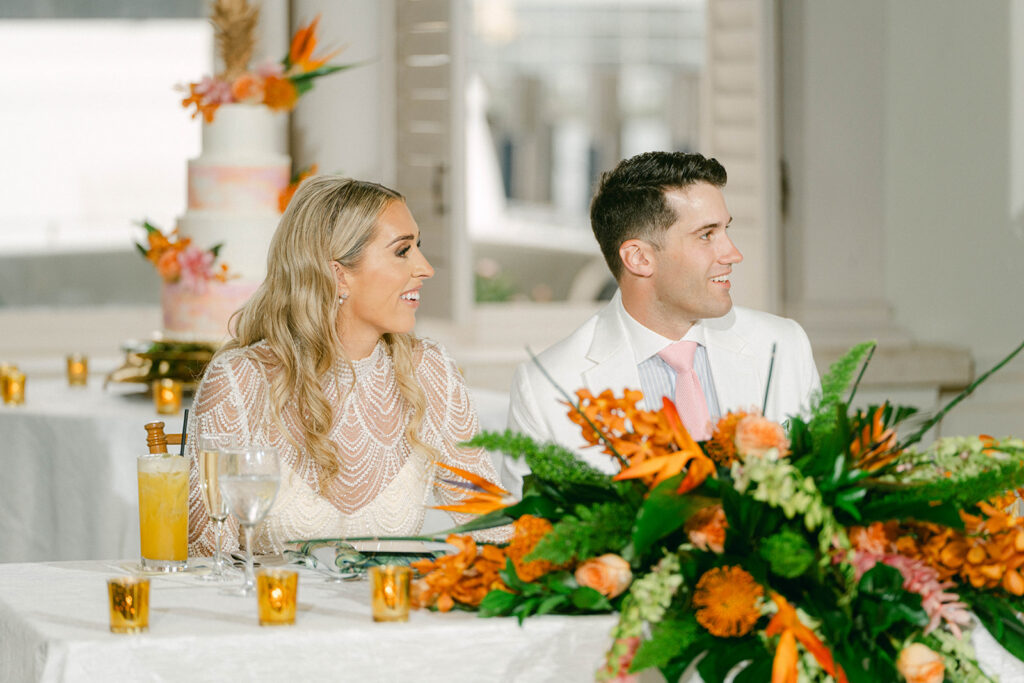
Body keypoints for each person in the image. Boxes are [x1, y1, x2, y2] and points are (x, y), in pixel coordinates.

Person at [187, 175, 507, 556]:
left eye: (417, 248)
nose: (425, 268)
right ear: (339, 275)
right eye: (402, 251)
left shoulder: (429, 370)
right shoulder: (240, 382)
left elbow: (494, 528)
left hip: (390, 614)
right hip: (272, 614)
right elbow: (206, 566)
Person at [504, 152, 820, 494]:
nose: (732, 253)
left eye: (725, 229)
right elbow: (526, 535)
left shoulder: (784, 345)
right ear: (639, 258)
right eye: (706, 235)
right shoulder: (548, 388)